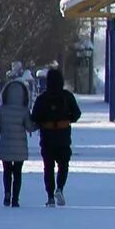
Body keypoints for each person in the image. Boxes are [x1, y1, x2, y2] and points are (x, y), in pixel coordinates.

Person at [29, 65, 81, 206]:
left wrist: (43, 122)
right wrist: (68, 119)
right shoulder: (67, 96)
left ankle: (50, 196)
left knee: (48, 167)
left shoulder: (42, 98)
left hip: (47, 138)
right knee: (63, 165)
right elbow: (77, 114)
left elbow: (34, 117)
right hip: (63, 137)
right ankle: (60, 188)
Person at [0, 78, 33, 207]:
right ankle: (15, 198)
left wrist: (3, 131)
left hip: (5, 145)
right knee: (18, 173)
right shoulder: (24, 111)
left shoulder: (2, 110)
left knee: (7, 171)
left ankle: (7, 194)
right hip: (20, 147)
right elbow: (30, 127)